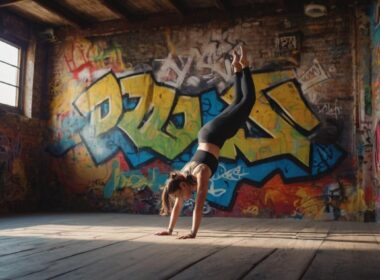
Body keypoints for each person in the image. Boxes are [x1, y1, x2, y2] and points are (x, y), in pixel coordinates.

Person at [155, 46, 255, 239]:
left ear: (183, 187)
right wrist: (169, 230)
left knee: (248, 101)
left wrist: (193, 233)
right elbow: (177, 208)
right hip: (208, 134)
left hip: (216, 134)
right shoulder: (182, 176)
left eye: (180, 195)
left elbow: (199, 206)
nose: (181, 200)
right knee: (237, 102)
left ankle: (244, 66)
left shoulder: (200, 174)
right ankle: (237, 67)